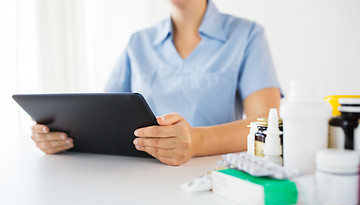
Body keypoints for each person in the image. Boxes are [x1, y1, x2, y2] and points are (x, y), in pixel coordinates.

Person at [31, 0, 281, 166]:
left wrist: (196, 142)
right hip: (140, 179)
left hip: (212, 178)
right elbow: (100, 117)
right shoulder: (138, 42)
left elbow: (268, 124)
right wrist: (62, 136)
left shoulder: (247, 35)